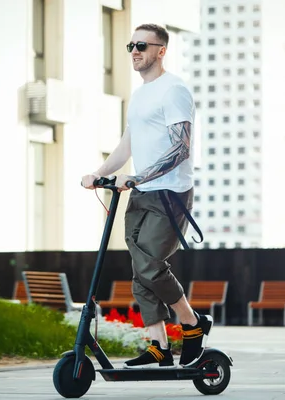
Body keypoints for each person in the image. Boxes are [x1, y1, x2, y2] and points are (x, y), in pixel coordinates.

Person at [80, 23, 212, 369]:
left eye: (142, 45)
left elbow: (181, 149)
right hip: (140, 193)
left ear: (161, 50)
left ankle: (192, 323)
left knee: (151, 267)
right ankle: (159, 345)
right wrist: (100, 173)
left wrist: (138, 176)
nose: (135, 51)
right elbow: (128, 145)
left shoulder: (174, 90)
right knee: (140, 269)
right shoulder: (139, 95)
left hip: (169, 195)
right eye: (131, 46)